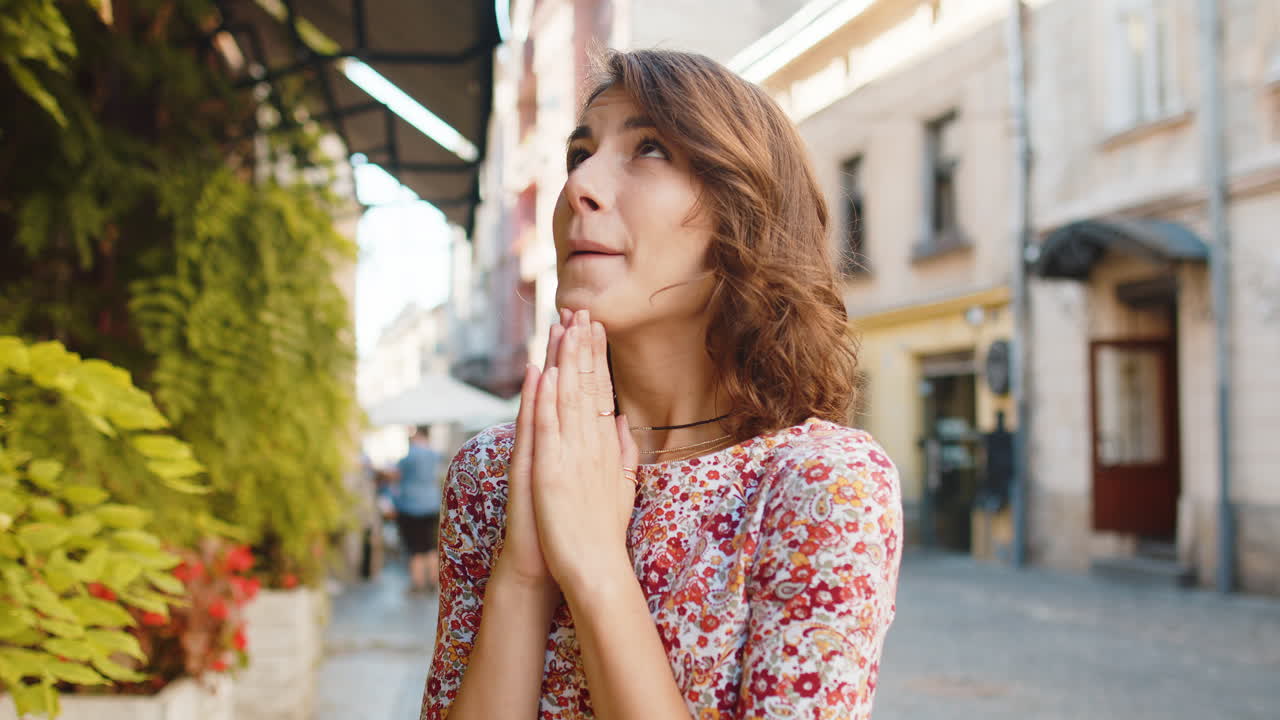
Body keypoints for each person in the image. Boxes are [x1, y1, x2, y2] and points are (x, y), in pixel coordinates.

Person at [422, 49, 902, 720]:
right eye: (579, 153)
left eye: (649, 148)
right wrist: (524, 577)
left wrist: (593, 566)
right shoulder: (495, 473)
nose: (580, 184)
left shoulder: (818, 483)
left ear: (745, 215)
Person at [387, 425, 442, 593]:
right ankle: (433, 581)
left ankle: (417, 583)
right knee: (431, 545)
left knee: (415, 547)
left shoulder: (408, 457)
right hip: (432, 503)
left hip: (410, 505)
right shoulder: (434, 455)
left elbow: (395, 476)